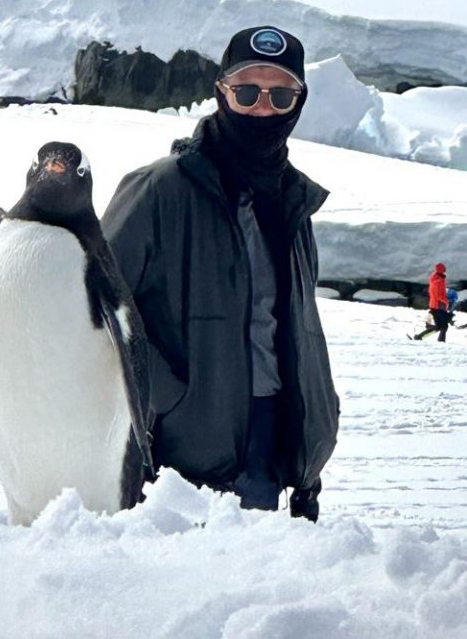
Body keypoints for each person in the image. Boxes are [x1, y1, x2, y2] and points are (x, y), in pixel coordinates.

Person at [102, 25, 339, 521]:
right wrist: (166, 398)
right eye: (247, 92)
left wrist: (315, 428)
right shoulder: (157, 190)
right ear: (220, 93)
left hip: (277, 439)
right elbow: (97, 304)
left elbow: (293, 326)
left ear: (299, 101)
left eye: (279, 95)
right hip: (182, 454)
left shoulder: (293, 200)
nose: (262, 109)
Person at [413, 262, 450, 341]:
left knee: (439, 327)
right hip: (438, 305)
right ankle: (441, 342)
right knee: (444, 326)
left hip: (435, 305)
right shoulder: (439, 281)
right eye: (444, 269)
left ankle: (419, 337)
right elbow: (438, 295)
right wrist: (446, 301)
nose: (445, 270)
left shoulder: (436, 278)